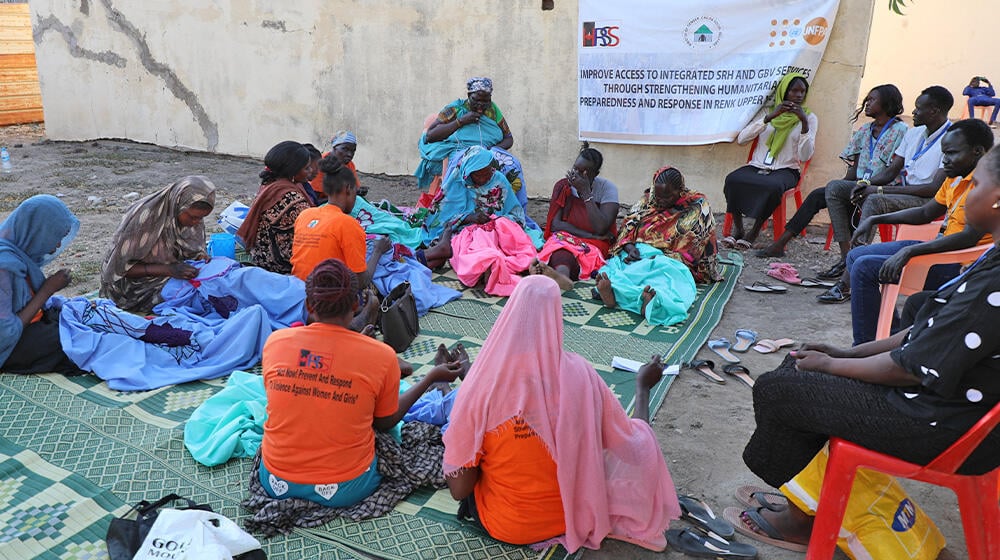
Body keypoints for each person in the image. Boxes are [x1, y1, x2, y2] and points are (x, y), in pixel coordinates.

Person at [728, 144, 1000, 550]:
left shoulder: (994, 285)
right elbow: (926, 331)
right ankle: (804, 498)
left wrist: (832, 366)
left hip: (944, 424)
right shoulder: (991, 260)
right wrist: (845, 354)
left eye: (975, 183)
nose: (965, 191)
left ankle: (801, 519)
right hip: (946, 405)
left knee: (779, 389)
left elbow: (912, 366)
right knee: (800, 364)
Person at [443, 276, 680, 552]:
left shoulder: (482, 386)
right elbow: (634, 450)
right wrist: (642, 388)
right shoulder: (581, 375)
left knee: (462, 445)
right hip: (571, 518)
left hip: (505, 524)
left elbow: (459, 489)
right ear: (557, 315)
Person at [259, 258, 463, 508]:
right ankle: (438, 388)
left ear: (308, 305)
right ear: (357, 304)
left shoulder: (275, 342)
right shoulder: (380, 354)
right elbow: (385, 422)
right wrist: (430, 377)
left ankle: (436, 389)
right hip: (346, 487)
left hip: (274, 480)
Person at [816, 119, 994, 347]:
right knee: (855, 256)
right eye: (943, 154)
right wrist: (875, 218)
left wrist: (910, 251)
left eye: (951, 153)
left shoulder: (987, 186)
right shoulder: (955, 177)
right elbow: (926, 213)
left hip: (961, 265)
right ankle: (889, 335)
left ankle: (864, 346)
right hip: (944, 248)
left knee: (865, 267)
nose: (945, 160)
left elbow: (968, 238)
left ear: (977, 152)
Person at [756, 84, 908, 258]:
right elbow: (855, 167)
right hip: (860, 184)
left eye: (872, 100)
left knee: (859, 201)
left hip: (882, 188)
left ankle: (850, 258)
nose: (866, 103)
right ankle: (781, 245)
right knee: (820, 195)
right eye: (867, 99)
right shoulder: (866, 130)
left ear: (887, 103)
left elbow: (892, 171)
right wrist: (842, 187)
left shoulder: (900, 131)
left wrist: (863, 186)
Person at [822, 85, 954, 279]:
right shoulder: (914, 133)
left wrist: (878, 190)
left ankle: (848, 280)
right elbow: (892, 171)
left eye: (918, 108)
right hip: (900, 190)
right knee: (835, 188)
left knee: (874, 200)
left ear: (934, 111)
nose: (913, 112)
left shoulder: (951, 138)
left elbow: (933, 189)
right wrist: (866, 183)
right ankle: (847, 257)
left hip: (928, 201)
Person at [593, 166, 719, 325]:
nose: (660, 201)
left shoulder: (697, 205)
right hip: (638, 252)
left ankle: (635, 298)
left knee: (666, 278)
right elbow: (628, 227)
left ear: (679, 190)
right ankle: (623, 296)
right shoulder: (648, 198)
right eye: (658, 196)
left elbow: (693, 248)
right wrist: (630, 248)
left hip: (669, 259)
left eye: (667, 196)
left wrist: (656, 257)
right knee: (616, 267)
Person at [722, 72, 818, 248]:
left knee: (772, 187)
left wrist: (804, 124)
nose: (798, 96)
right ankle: (739, 229)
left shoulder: (809, 117)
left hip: (786, 169)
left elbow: (805, 156)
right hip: (757, 165)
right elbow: (742, 140)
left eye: (802, 92)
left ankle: (754, 231)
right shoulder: (768, 112)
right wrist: (769, 118)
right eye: (793, 91)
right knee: (733, 179)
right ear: (783, 92)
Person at [425, 146, 533, 295]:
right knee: (466, 246)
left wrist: (496, 221)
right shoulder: (456, 184)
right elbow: (440, 219)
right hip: (464, 231)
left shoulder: (498, 181)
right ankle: (487, 266)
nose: (484, 179)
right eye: (478, 175)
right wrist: (468, 218)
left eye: (487, 173)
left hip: (496, 229)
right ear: (467, 174)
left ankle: (496, 266)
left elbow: (516, 214)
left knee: (505, 240)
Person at [100, 176, 215, 312]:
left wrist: (201, 258)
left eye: (201, 218)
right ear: (178, 203)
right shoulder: (145, 220)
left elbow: (193, 250)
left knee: (212, 286)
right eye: (193, 217)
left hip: (171, 273)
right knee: (192, 297)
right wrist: (169, 270)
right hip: (130, 289)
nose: (197, 222)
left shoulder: (186, 216)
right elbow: (118, 270)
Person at [0, 195, 84, 375]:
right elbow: (5, 334)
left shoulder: (15, 252)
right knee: (76, 342)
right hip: (8, 345)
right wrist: (47, 290)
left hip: (26, 325)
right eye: (55, 236)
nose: (57, 245)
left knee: (76, 321)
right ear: (36, 231)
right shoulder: (3, 267)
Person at [290, 156, 391, 286]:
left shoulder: (305, 215)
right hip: (326, 298)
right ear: (348, 189)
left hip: (298, 289)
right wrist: (378, 250)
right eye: (356, 192)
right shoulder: (348, 224)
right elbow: (360, 283)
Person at [533, 143, 619, 290]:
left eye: (584, 172)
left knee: (581, 254)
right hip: (569, 237)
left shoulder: (607, 189)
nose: (576, 175)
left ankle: (557, 276)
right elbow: (555, 225)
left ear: (595, 174)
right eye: (575, 169)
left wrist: (586, 193)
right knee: (560, 248)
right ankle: (561, 278)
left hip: (596, 242)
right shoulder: (563, 186)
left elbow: (601, 228)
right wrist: (588, 234)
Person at [414, 77, 515, 190]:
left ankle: (506, 205)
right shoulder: (455, 109)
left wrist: (491, 150)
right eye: (476, 100)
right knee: (468, 172)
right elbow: (430, 136)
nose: (481, 105)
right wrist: (460, 122)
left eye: (486, 101)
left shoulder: (493, 110)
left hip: (489, 153)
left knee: (513, 168)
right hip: (461, 153)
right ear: (468, 96)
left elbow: (508, 138)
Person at [237, 141, 316, 274]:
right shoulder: (291, 199)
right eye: (307, 168)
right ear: (293, 171)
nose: (311, 171)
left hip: (261, 257)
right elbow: (313, 229)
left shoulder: (271, 185)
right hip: (279, 264)